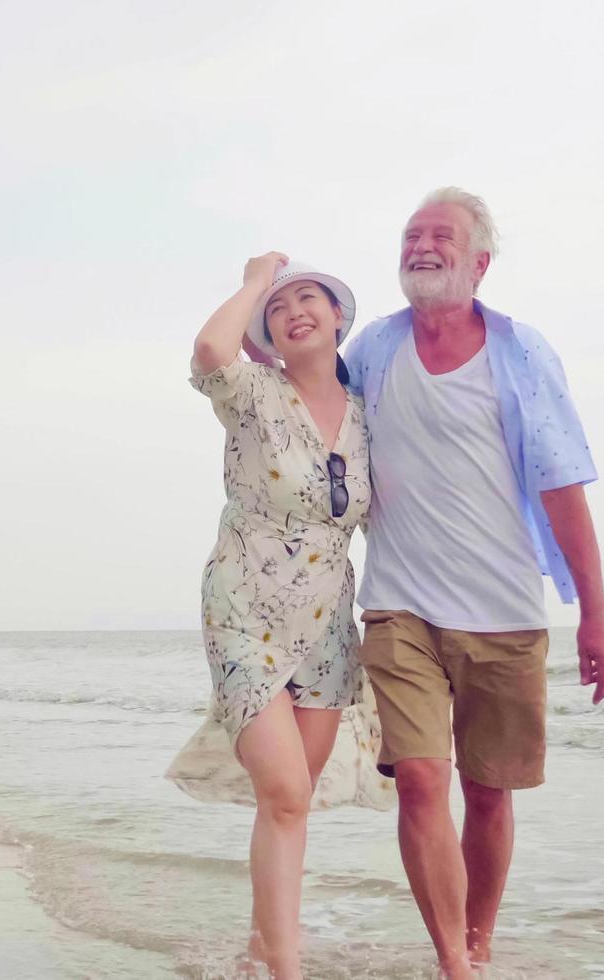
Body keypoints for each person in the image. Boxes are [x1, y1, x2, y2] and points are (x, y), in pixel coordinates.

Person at [343, 188, 604, 977]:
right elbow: (310, 407)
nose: (421, 246)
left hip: (502, 609)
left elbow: (563, 485)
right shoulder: (371, 350)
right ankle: (453, 965)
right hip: (398, 606)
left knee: (490, 792)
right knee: (421, 782)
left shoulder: (521, 352)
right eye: (411, 235)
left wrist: (595, 615)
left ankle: (479, 936)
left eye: (441, 236)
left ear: (479, 261)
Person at [166, 253, 394, 979]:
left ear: (336, 320)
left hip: (327, 627)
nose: (295, 311)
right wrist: (255, 281)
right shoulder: (252, 392)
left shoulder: (366, 419)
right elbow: (208, 351)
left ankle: (264, 947)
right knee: (287, 790)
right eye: (279, 308)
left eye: (309, 300)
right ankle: (286, 971)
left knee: (288, 807)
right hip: (244, 610)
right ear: (266, 332)